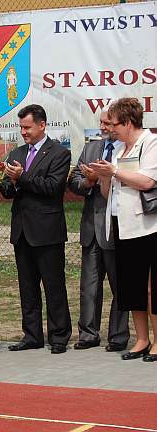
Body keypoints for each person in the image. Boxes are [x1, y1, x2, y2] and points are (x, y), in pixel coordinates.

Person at [0, 104, 72, 354]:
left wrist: (22, 177)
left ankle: (59, 336)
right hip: (22, 231)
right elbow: (6, 191)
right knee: (27, 287)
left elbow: (52, 187)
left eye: (28, 127)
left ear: (42, 125)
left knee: (54, 286)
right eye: (21, 127)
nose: (24, 132)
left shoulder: (59, 153)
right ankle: (32, 335)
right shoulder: (17, 153)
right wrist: (10, 181)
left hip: (47, 230)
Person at [90, 97, 157, 362]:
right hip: (122, 224)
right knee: (131, 287)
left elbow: (147, 181)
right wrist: (104, 177)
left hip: (147, 226)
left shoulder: (150, 142)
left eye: (114, 124)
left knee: (151, 289)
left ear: (128, 123)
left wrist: (114, 171)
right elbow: (109, 194)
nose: (109, 129)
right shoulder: (119, 149)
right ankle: (141, 339)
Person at [68, 109, 129, 351]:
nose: (103, 127)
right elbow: (74, 182)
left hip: (117, 227)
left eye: (107, 123)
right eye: (100, 122)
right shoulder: (91, 148)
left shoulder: (128, 150)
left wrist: (106, 177)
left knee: (120, 285)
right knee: (89, 286)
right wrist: (90, 181)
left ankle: (118, 336)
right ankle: (88, 334)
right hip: (91, 228)